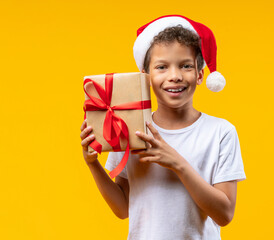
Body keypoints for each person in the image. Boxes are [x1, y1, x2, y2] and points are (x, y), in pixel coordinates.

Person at [80, 15, 246, 240]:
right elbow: (122, 209)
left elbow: (224, 214)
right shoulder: (129, 128)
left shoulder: (220, 132)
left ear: (199, 75)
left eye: (185, 66)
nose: (175, 76)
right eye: (162, 67)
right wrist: (93, 165)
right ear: (146, 77)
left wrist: (177, 164)